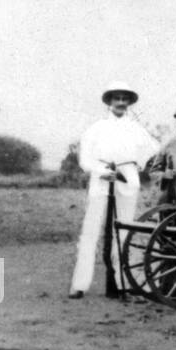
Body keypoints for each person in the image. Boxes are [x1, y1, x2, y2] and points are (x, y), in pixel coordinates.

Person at [69, 82, 159, 299]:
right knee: (91, 229)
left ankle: (122, 283)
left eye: (124, 98)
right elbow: (84, 159)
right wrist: (99, 170)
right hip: (101, 177)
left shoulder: (136, 128)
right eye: (116, 98)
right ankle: (80, 284)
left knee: (124, 230)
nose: (120, 102)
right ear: (109, 102)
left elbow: (154, 148)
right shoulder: (97, 128)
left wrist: (136, 165)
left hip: (126, 178)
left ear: (128, 102)